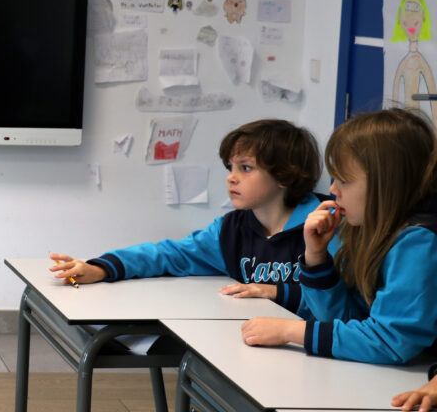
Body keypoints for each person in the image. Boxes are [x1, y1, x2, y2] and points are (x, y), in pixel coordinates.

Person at [52, 119, 323, 315]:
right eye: (230, 167)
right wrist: (101, 268)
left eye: (246, 168)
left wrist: (278, 292)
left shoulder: (324, 227)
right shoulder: (231, 230)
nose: (231, 177)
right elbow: (171, 255)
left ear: (285, 176)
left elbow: (345, 304)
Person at [241, 108, 437, 365]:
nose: (333, 189)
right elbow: (343, 320)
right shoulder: (365, 227)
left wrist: (291, 331)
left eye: (343, 180)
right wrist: (316, 257)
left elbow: (391, 342)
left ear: (385, 184)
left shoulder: (419, 241)